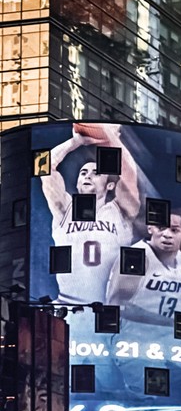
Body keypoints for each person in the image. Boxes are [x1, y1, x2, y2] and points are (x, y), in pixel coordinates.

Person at [41, 124, 143, 305]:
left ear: (110, 185)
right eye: (83, 173)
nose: (87, 176)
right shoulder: (65, 208)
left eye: (96, 173)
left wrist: (113, 139)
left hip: (108, 309)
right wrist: (76, 141)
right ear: (78, 183)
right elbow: (44, 166)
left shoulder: (120, 211)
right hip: (68, 306)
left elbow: (128, 175)